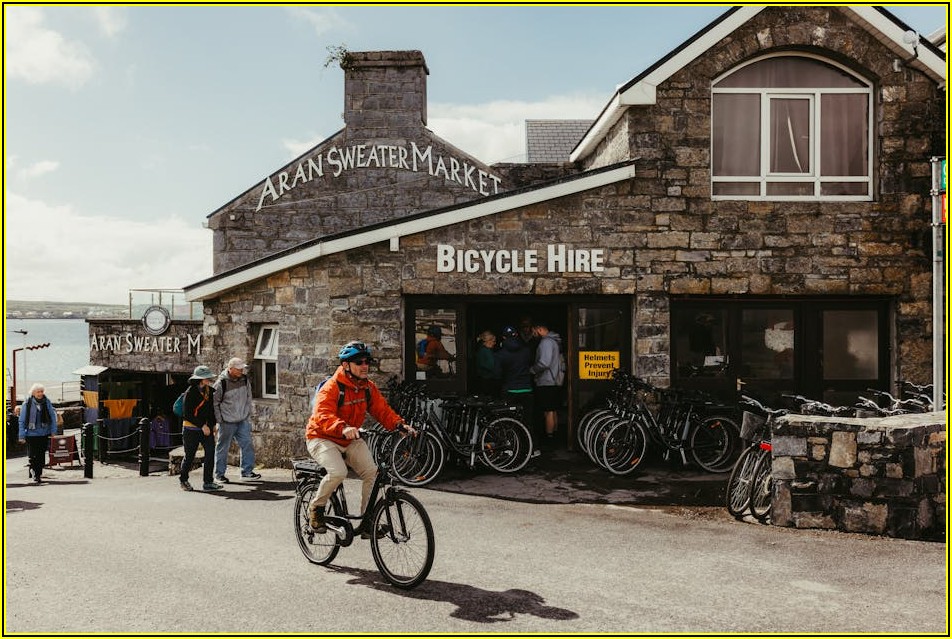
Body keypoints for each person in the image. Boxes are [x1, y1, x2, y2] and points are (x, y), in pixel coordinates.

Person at [305, 341, 415, 537]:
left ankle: (368, 522)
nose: (365, 366)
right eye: (359, 362)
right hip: (322, 437)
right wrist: (343, 427)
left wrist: (399, 425)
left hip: (350, 438)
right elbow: (322, 414)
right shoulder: (331, 387)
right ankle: (316, 508)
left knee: (371, 473)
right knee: (338, 472)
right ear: (346, 365)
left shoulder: (367, 387)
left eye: (367, 362)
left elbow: (382, 410)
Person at [213, 357, 260, 482]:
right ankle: (219, 475)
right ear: (231, 369)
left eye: (242, 368)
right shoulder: (221, 383)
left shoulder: (244, 380)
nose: (241, 371)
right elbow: (215, 403)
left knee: (247, 444)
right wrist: (219, 420)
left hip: (242, 420)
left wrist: (247, 413)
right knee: (223, 448)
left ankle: (247, 472)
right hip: (226, 421)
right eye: (239, 369)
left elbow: (249, 396)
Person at [179, 366, 222, 492]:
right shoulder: (190, 392)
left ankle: (208, 482)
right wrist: (202, 426)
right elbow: (187, 414)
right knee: (190, 456)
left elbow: (211, 411)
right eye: (207, 378)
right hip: (191, 429)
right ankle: (183, 480)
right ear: (200, 379)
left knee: (210, 454)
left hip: (206, 429)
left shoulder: (210, 391)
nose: (209, 379)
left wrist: (213, 424)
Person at [494, 326, 534, 432]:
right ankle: (530, 445)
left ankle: (512, 445)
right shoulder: (526, 351)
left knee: (508, 420)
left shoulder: (500, 355)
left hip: (510, 390)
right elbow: (530, 364)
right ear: (516, 335)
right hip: (526, 388)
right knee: (527, 421)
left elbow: (497, 374)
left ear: (503, 337)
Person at [530, 322, 564, 445]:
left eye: (533, 331)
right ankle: (554, 435)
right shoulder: (555, 341)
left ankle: (549, 438)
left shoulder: (546, 342)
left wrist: (532, 370)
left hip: (547, 380)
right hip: (555, 380)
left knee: (548, 410)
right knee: (553, 410)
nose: (532, 334)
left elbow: (544, 363)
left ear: (539, 329)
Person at [17, 383, 57, 484]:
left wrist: (53, 431)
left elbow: (52, 417)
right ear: (33, 393)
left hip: (43, 433)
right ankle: (35, 474)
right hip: (31, 434)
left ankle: (38, 472)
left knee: (41, 455)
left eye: (42, 392)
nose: (40, 394)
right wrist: (21, 435)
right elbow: (21, 420)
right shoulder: (27, 403)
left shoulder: (46, 402)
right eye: (38, 392)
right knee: (33, 455)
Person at [474, 330, 501, 396]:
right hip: (488, 380)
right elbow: (491, 365)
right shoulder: (487, 352)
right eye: (493, 341)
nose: (495, 343)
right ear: (487, 341)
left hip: (484, 379)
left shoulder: (481, 350)